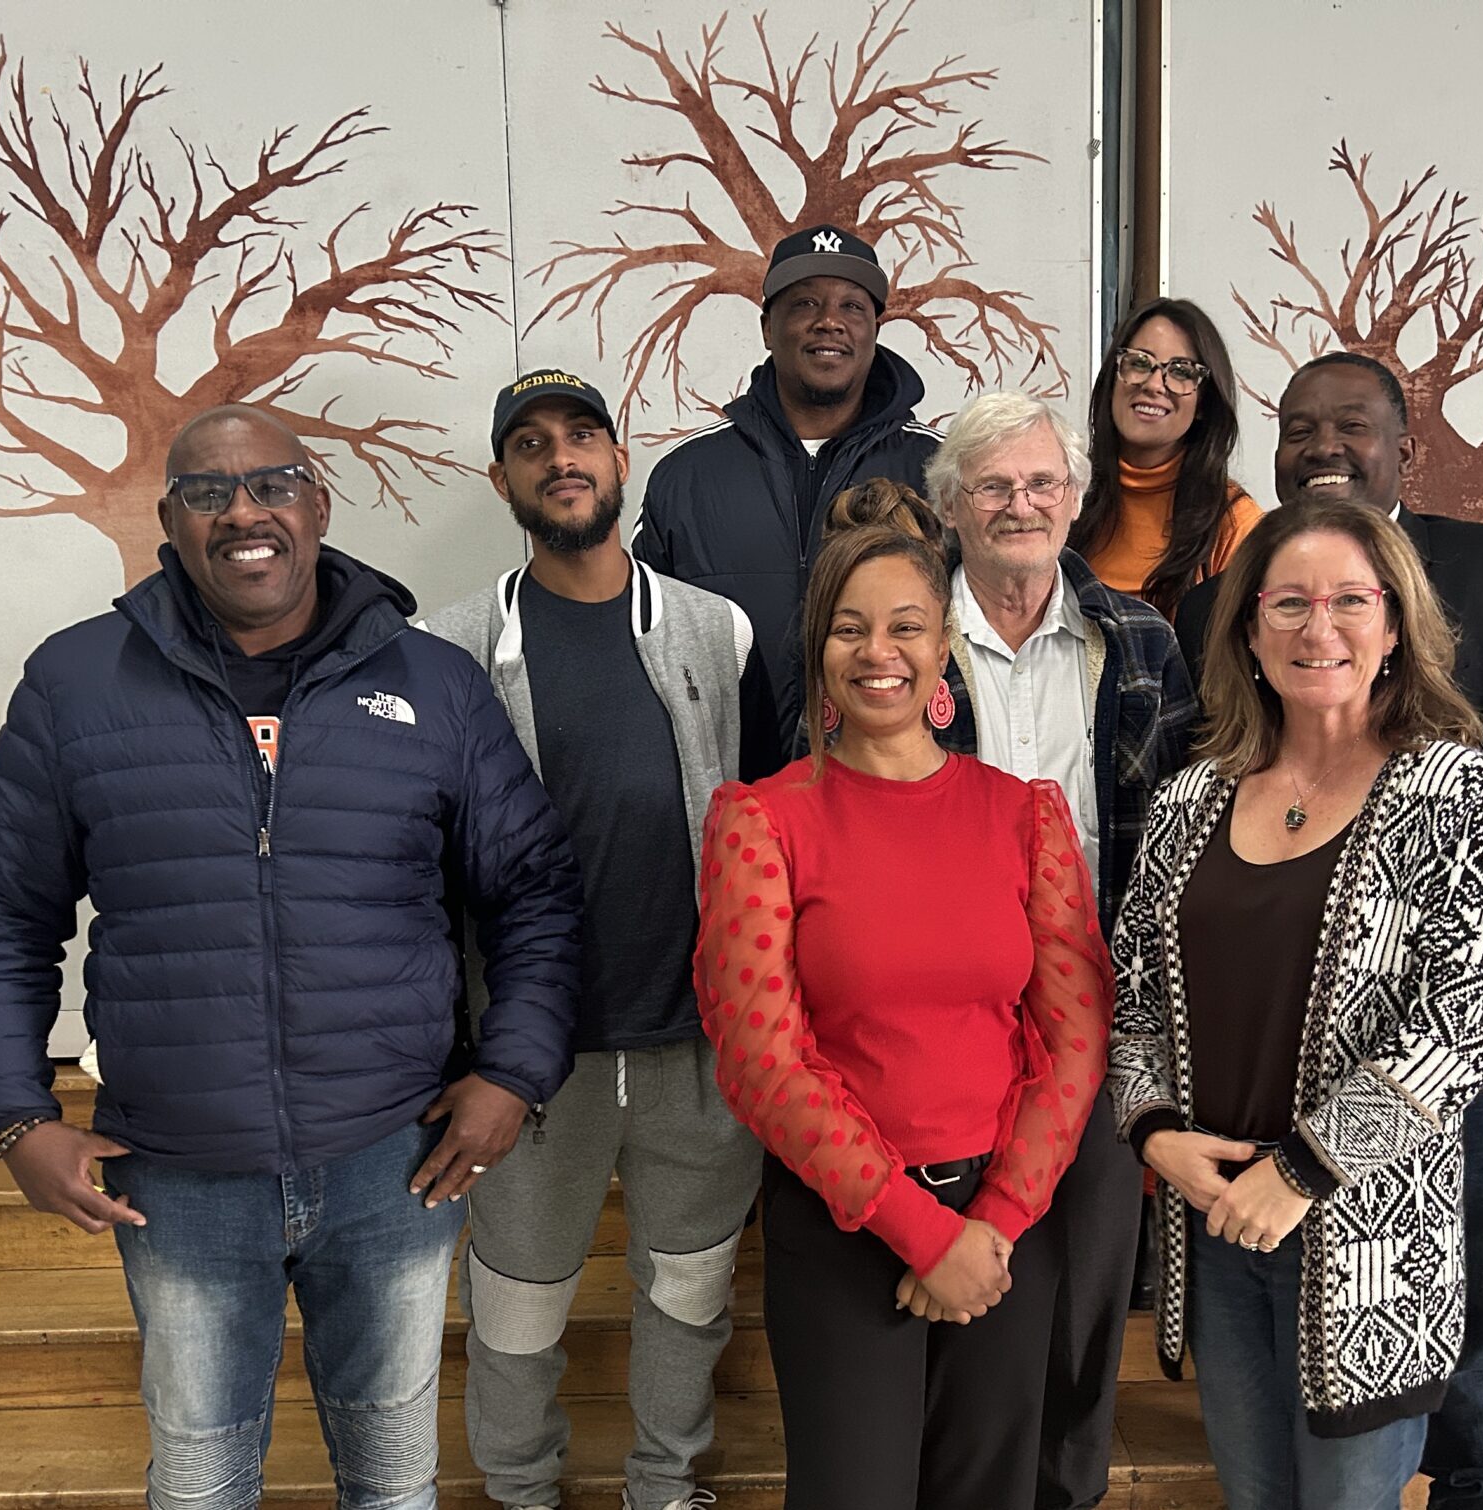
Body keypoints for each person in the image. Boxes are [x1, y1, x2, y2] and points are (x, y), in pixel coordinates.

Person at [0, 403, 582, 1510]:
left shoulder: (431, 683)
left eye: (272, 484)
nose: (243, 511)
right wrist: (12, 1114)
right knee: (199, 1482)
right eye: (208, 492)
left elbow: (533, 892)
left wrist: (515, 1075)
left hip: (394, 1159)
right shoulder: (76, 683)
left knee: (390, 1483)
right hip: (178, 1173)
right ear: (169, 523)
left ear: (317, 504)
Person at [1174, 351, 1483, 1510]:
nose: (1324, 445)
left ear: (1405, 449)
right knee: (1313, 1313)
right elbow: (1221, 785)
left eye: (1353, 426)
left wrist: (1415, 828)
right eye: (1299, 426)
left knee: (1482, 1313)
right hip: (1280, 1044)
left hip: (1479, 1029)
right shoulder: (1217, 600)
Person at [691, 491, 1111, 1510]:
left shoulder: (1024, 814)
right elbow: (761, 1060)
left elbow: (1074, 1035)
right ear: (821, 652)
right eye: (849, 626)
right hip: (845, 1233)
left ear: (942, 653)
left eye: (906, 626)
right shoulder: (761, 820)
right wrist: (922, 1232)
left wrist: (994, 1221)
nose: (877, 650)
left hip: (1008, 1230)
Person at [1113, 499, 1483, 1509]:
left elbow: (1462, 1019)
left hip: (1368, 1241)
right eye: (1287, 602)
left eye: (1349, 599)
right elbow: (1126, 994)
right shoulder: (1191, 796)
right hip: (1217, 1230)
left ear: (1394, 625)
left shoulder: (1455, 791)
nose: (1318, 626)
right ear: (1248, 631)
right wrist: (1152, 1129)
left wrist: (1300, 1169)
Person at [423, 371, 766, 1510]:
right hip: (531, 1063)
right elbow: (421, 864)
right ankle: (521, 1492)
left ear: (621, 461)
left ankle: (666, 1485)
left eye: (581, 435)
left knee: (690, 1289)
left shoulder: (715, 629)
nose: (559, 457)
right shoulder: (451, 645)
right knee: (517, 1304)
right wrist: (461, 1051)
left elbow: (773, 824)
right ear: (501, 478)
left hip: (697, 1045)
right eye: (529, 443)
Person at [914, 393, 1196, 1510]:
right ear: (951, 508)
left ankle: (1062, 1493)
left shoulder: (1138, 637)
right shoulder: (903, 637)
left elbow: (1180, 825)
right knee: (963, 1283)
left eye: (1040, 483)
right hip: (946, 1018)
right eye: (993, 486)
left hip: (1103, 1014)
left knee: (1081, 1296)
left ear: (1074, 500)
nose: (1020, 504)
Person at [634, 224, 940, 723]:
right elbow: (645, 641)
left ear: (874, 330)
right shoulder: (686, 476)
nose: (829, 322)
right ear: (767, 328)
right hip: (735, 784)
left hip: (887, 782)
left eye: (852, 307)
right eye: (804, 304)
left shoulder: (937, 470)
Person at [1069, 296, 1262, 616]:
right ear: (1113, 379)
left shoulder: (1233, 522)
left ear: (1203, 403)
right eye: (1139, 363)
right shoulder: (1062, 494)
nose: (1154, 384)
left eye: (1181, 371)